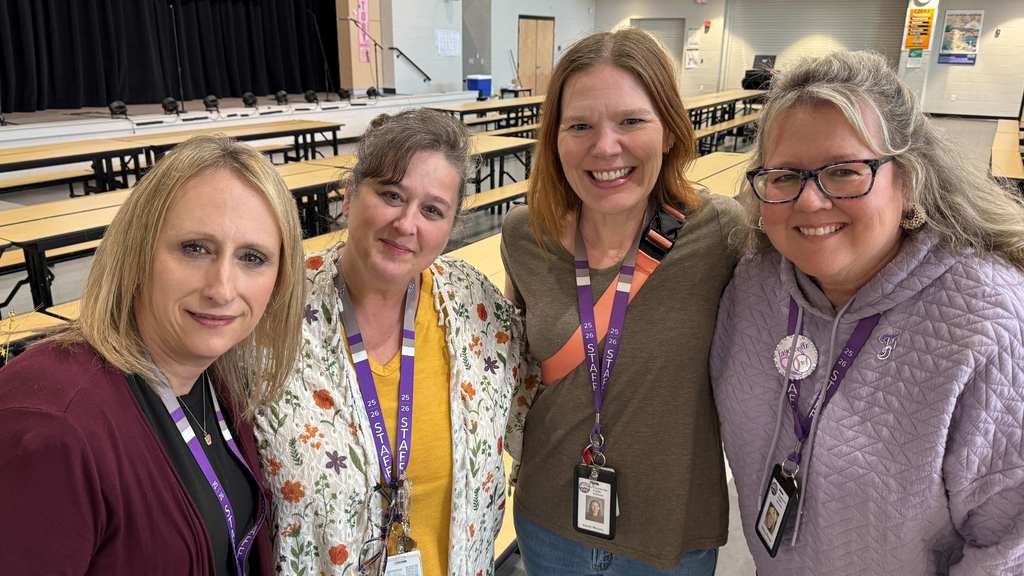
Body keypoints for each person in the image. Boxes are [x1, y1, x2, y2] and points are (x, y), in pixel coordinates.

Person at [712, 50, 1024, 574]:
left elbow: (1010, 550)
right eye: (785, 176)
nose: (810, 202)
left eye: (844, 171)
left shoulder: (988, 320)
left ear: (907, 179)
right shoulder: (754, 284)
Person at [0, 134, 306, 575]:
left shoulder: (214, 379)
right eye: (194, 248)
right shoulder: (49, 426)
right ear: (138, 250)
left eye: (252, 257)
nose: (222, 288)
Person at [502, 28, 744, 574]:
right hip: (548, 522)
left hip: (670, 534)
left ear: (669, 131)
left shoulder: (722, 234)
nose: (605, 146)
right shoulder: (525, 236)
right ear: (555, 139)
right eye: (580, 125)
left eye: (631, 121)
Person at [256, 109, 526, 576]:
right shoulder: (272, 314)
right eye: (390, 195)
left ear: (452, 225)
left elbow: (537, 414)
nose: (407, 223)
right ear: (348, 196)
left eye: (432, 210)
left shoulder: (477, 311)